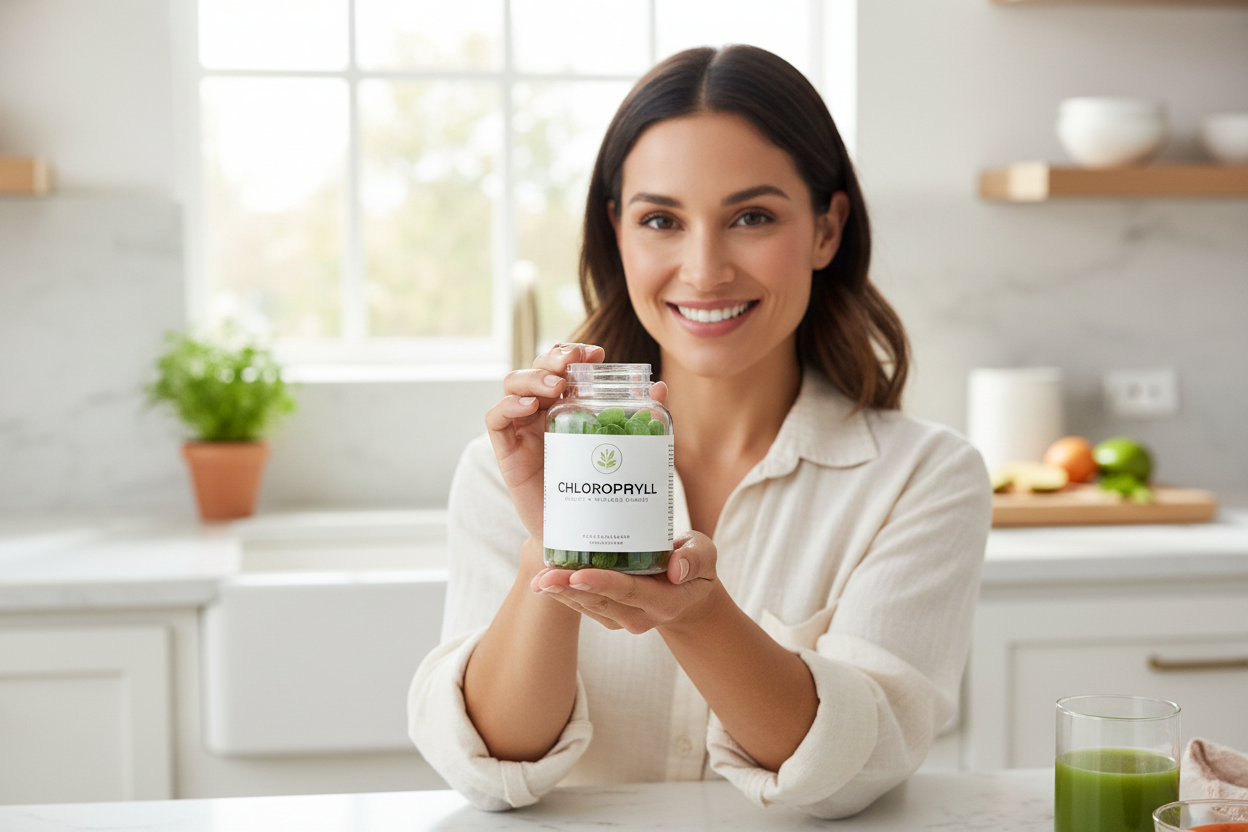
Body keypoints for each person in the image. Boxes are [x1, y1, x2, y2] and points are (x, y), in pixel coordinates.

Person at [409, 45, 992, 820]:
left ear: (827, 229)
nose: (705, 267)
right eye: (661, 220)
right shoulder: (511, 467)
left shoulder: (924, 478)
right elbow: (490, 769)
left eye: (752, 217)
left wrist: (695, 614)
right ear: (617, 232)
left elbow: (857, 768)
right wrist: (555, 539)